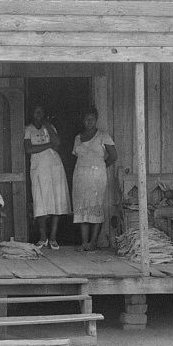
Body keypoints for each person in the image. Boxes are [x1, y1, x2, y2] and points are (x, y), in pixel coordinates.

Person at [24, 105, 71, 249]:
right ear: (32, 113)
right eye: (36, 112)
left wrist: (48, 126)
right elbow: (29, 149)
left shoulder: (50, 127)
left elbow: (57, 144)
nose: (39, 114)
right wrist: (49, 144)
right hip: (39, 168)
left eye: (41, 112)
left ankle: (53, 238)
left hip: (54, 167)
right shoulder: (28, 129)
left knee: (56, 201)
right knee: (40, 201)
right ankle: (43, 237)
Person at [71, 107, 117, 252]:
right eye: (86, 119)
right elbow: (77, 155)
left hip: (97, 177)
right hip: (80, 176)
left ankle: (93, 242)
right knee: (82, 208)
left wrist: (100, 166)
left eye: (92, 119)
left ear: (96, 120)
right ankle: (84, 242)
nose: (89, 122)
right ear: (83, 121)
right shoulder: (78, 138)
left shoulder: (103, 136)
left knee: (95, 207)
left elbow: (113, 156)